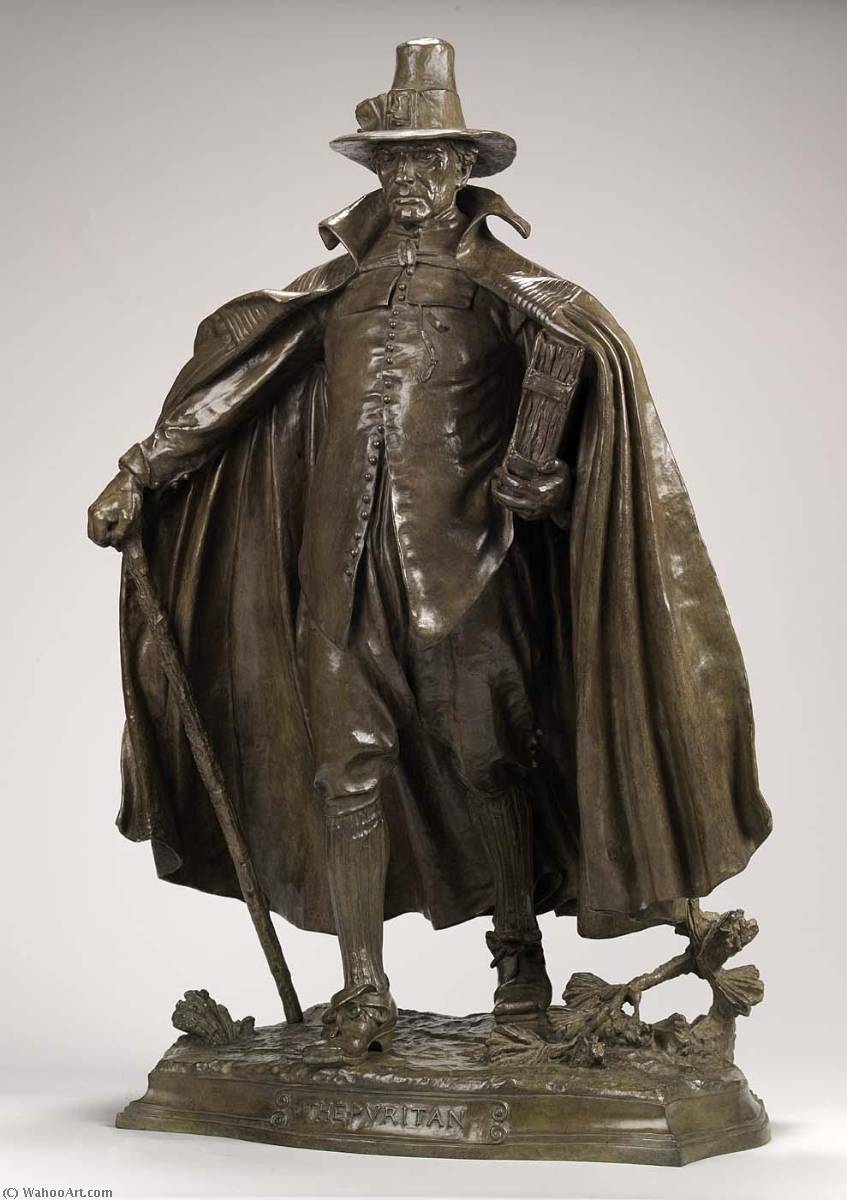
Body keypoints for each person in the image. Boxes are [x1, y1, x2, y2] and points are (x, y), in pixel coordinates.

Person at [89, 39, 771, 1061]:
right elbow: (234, 389)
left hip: (469, 574)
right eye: (393, 161)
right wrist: (140, 472)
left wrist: (551, 481)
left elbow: (581, 406)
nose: (410, 178)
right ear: (375, 172)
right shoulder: (334, 294)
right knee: (344, 771)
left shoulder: (510, 289)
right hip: (336, 578)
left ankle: (519, 964)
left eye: (429, 159)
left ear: (463, 168)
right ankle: (363, 988)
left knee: (491, 764)